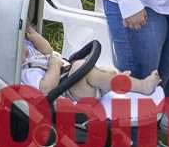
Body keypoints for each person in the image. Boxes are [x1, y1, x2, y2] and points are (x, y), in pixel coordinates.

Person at [21, 24, 160, 98]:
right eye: (19, 49)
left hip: (70, 79)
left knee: (106, 70)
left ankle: (115, 82)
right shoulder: (26, 72)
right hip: (66, 95)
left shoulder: (28, 52)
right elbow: (46, 88)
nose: (25, 49)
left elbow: (48, 52)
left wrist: (34, 38)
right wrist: (54, 65)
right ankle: (142, 86)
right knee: (82, 67)